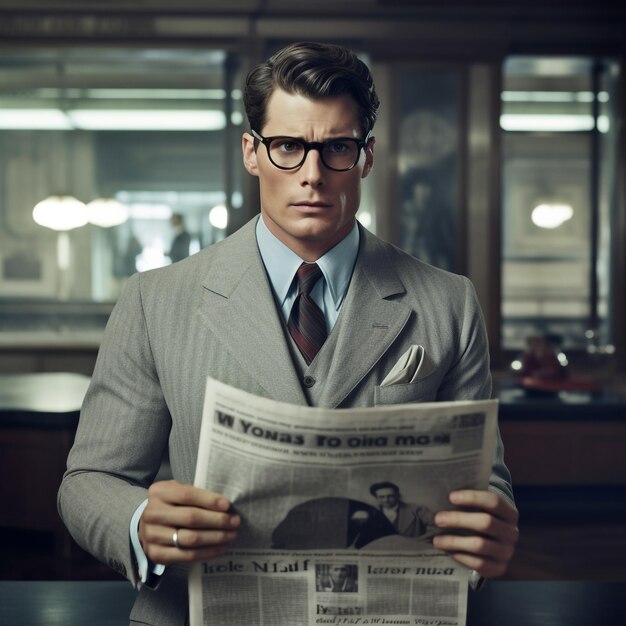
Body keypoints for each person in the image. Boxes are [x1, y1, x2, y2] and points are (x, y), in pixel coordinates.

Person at [58, 41, 518, 625]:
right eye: (287, 147)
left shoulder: (449, 302)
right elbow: (90, 480)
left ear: (367, 156)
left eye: (337, 149)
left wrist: (491, 527)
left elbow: (487, 480)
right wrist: (139, 520)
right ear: (252, 152)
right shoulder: (155, 300)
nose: (312, 175)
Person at [369, 481, 434, 538]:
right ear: (376, 498)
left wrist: (419, 542)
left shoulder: (418, 509)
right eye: (381, 497)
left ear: (397, 495)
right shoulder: (370, 513)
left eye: (390, 496)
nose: (386, 500)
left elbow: (436, 527)